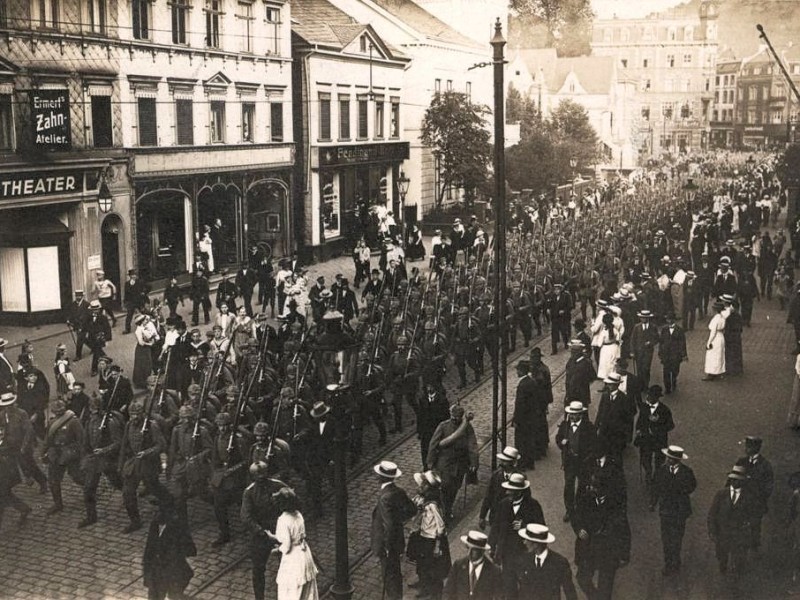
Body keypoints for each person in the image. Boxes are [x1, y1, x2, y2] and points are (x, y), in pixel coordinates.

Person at [572, 474, 629, 600]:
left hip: (607, 551)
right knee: (582, 578)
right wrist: (579, 529)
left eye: (595, 487)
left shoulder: (615, 504)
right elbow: (576, 517)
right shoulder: (585, 498)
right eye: (591, 485)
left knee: (606, 586)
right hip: (588, 548)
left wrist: (625, 554)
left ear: (605, 489)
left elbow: (624, 529)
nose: (591, 489)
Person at [242, 460, 290, 600]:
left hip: (280, 531)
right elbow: (246, 517)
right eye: (258, 478)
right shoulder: (249, 492)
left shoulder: (279, 486)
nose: (262, 480)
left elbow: (293, 503)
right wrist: (262, 532)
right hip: (261, 535)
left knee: (287, 564)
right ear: (253, 477)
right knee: (258, 569)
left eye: (264, 476)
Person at [371, 460, 417, 600]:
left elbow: (389, 525)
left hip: (388, 544)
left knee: (389, 575)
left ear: (381, 477)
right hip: (397, 541)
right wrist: (399, 520)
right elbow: (412, 509)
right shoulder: (399, 491)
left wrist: (386, 545)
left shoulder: (385, 497)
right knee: (395, 573)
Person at [650, 445, 697, 575]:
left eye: (671, 458)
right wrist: (653, 503)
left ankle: (675, 560)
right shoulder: (661, 471)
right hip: (665, 510)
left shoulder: (687, 472)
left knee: (677, 538)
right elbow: (655, 488)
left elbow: (692, 486)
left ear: (678, 460)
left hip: (680, 511)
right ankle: (668, 563)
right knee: (666, 538)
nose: (669, 460)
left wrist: (680, 491)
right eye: (668, 458)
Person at [426, 404, 478, 519]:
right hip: (445, 464)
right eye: (452, 416)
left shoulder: (467, 428)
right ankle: (443, 511)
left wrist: (474, 462)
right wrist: (430, 462)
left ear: (461, 417)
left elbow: (472, 445)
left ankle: (448, 509)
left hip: (460, 464)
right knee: (444, 487)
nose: (453, 418)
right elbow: (433, 444)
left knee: (454, 488)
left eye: (457, 416)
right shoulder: (443, 426)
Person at [80, 392, 123, 528]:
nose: (92, 411)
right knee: (88, 489)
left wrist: (104, 450)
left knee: (118, 483)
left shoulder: (110, 423)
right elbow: (86, 441)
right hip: (94, 460)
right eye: (91, 408)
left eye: (94, 409)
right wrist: (86, 455)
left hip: (107, 460)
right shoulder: (89, 421)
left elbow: (118, 442)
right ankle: (91, 516)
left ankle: (129, 495)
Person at [268, 488, 319, 600]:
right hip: (305, 554)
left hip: (293, 560)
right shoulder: (298, 515)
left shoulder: (283, 520)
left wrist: (277, 550)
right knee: (307, 591)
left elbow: (286, 546)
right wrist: (275, 537)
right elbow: (295, 536)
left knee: (290, 592)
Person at [143, 495, 197, 600]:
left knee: (175, 596)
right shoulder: (154, 525)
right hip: (156, 574)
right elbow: (148, 551)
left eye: (159, 512)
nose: (155, 515)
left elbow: (191, 549)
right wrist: (147, 575)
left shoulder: (177, 527)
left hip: (173, 574)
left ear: (167, 514)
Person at [707, 466, 755, 576]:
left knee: (738, 559)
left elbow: (752, 515)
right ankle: (723, 570)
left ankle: (735, 578)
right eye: (733, 479)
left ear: (743, 481)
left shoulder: (748, 497)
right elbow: (712, 514)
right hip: (723, 532)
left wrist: (748, 528)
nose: (734, 482)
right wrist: (712, 531)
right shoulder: (721, 494)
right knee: (722, 556)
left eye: (738, 480)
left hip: (739, 533)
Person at [43, 398, 85, 514]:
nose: (58, 413)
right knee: (53, 481)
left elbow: (81, 439)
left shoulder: (73, 421)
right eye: (56, 412)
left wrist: (81, 455)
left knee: (77, 477)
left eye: (60, 411)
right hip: (56, 454)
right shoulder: (52, 422)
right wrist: (43, 452)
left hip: (70, 454)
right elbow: (48, 439)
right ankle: (58, 504)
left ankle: (90, 491)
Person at [556, 401, 596, 523]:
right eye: (571, 414)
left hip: (583, 461)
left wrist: (588, 457)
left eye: (575, 414)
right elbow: (558, 438)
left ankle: (579, 507)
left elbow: (593, 444)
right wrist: (561, 443)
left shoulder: (589, 427)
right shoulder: (565, 425)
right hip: (569, 461)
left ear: (581, 414)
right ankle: (569, 509)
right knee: (569, 485)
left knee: (582, 485)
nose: (573, 417)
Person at [410, 470, 447, 599]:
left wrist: (437, 545)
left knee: (432, 567)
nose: (420, 487)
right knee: (422, 563)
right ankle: (423, 584)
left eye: (423, 485)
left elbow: (441, 526)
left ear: (428, 487)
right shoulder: (424, 499)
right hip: (422, 535)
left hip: (431, 539)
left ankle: (434, 592)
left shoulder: (433, 504)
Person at [734, 436, 774, 552]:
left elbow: (768, 487)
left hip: (756, 504)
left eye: (750, 447)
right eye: (747, 446)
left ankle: (754, 549)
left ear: (757, 448)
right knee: (738, 526)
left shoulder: (765, 466)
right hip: (740, 502)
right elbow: (732, 480)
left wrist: (759, 499)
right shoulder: (741, 462)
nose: (747, 449)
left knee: (755, 527)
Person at [0, 391, 33, 529]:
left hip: (14, 455)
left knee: (3, 495)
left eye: (10, 404)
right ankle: (24, 509)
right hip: (6, 451)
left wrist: (24, 448)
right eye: (5, 405)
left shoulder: (21, 413)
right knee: (5, 495)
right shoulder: (2, 416)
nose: (7, 407)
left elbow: (28, 431)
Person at [634, 385, 674, 494]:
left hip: (659, 441)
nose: (647, 397)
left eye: (650, 396)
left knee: (659, 460)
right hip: (646, 440)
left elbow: (670, 425)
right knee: (645, 459)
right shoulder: (644, 407)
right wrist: (638, 430)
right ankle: (648, 473)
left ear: (656, 398)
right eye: (648, 395)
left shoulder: (664, 410)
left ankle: (656, 478)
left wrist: (657, 428)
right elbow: (640, 421)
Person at [443, 530, 502, 600]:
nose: (469, 552)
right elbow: (447, 591)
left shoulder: (494, 571)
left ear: (482, 551)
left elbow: (499, 596)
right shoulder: (458, 565)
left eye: (474, 550)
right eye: (468, 548)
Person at [479, 446, 521, 532]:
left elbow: (525, 500)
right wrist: (482, 516)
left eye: (505, 461)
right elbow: (488, 496)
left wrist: (520, 520)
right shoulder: (496, 475)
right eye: (502, 460)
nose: (502, 463)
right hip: (495, 516)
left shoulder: (520, 478)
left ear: (512, 462)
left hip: (511, 519)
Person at [658, 313, 688, 394]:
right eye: (668, 319)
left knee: (675, 370)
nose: (669, 321)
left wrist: (684, 354)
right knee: (666, 371)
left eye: (670, 319)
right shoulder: (664, 329)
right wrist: (660, 352)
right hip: (666, 354)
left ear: (674, 320)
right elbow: (661, 342)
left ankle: (674, 381)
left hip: (676, 355)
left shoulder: (680, 330)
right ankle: (667, 388)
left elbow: (682, 343)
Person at [630, 309, 659, 387]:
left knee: (646, 368)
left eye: (645, 318)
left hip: (648, 351)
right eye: (642, 317)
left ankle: (646, 384)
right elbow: (633, 339)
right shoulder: (637, 327)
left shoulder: (653, 327)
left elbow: (657, 338)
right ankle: (640, 385)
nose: (643, 319)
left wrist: (651, 342)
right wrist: (632, 352)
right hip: (638, 351)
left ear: (648, 318)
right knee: (639, 369)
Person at [564, 340, 596, 408]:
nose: (571, 353)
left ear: (577, 352)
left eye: (572, 351)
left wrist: (584, 381)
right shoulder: (571, 360)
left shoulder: (585, 363)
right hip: (571, 393)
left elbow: (593, 376)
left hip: (581, 394)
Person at [85, 300, 112, 376]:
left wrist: (107, 338)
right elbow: (85, 325)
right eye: (93, 309)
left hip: (100, 338)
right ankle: (106, 359)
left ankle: (94, 369)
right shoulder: (89, 317)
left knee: (96, 353)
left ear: (99, 309)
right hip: (91, 338)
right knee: (98, 351)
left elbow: (107, 328)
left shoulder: (103, 318)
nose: (95, 311)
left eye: (96, 309)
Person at [133, 314, 159, 389]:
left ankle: (146, 380)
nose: (146, 321)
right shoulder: (138, 330)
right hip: (142, 349)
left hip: (146, 349)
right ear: (141, 322)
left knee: (147, 365)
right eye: (144, 320)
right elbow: (141, 342)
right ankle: (141, 382)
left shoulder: (144, 327)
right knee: (143, 365)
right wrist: (150, 344)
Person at [703, 301, 727, 381]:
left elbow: (713, 333)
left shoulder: (715, 319)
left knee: (712, 356)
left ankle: (711, 373)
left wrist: (709, 342)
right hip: (721, 337)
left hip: (715, 338)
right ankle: (719, 371)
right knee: (719, 355)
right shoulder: (722, 318)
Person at [123, 269, 150, 334]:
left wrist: (144, 292)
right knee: (129, 315)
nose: (134, 276)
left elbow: (149, 287)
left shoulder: (140, 282)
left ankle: (149, 325)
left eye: (135, 275)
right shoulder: (127, 284)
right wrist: (125, 302)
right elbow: (126, 294)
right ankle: (127, 329)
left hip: (139, 301)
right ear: (130, 276)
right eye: (132, 275)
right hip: (131, 302)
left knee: (144, 313)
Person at [66, 290, 90, 361]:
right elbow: (70, 314)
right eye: (76, 296)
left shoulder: (86, 304)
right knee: (83, 339)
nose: (78, 297)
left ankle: (78, 355)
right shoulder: (73, 304)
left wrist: (82, 326)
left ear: (82, 296)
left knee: (80, 339)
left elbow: (87, 316)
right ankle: (94, 347)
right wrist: (68, 320)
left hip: (84, 325)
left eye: (79, 296)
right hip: (76, 325)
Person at [596, 313, 621, 381]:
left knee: (605, 366)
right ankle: (612, 380)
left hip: (605, 350)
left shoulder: (604, 332)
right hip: (614, 348)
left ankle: (606, 382)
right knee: (612, 365)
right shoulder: (615, 330)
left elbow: (599, 344)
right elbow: (618, 340)